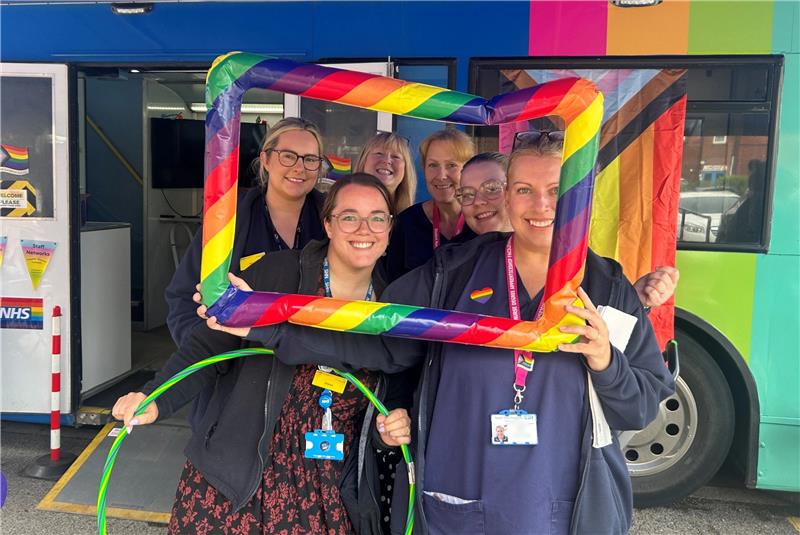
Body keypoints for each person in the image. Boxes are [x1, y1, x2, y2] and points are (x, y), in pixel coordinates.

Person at [380, 136, 676, 535]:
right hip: (458, 502)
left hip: (558, 511)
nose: (540, 205)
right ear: (507, 196)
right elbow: (383, 329)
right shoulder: (456, 270)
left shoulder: (608, 287)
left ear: (579, 198)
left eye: (556, 191)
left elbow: (640, 409)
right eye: (524, 190)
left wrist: (607, 362)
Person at [113, 174, 417, 534]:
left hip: (327, 493)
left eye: (377, 217)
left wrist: (388, 432)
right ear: (328, 224)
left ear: (390, 227)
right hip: (236, 479)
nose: (364, 229)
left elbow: (388, 404)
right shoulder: (275, 273)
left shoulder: (393, 309)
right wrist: (156, 397)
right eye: (349, 216)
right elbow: (206, 348)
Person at [165, 117, 328, 349]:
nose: (299, 168)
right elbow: (182, 298)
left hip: (309, 362)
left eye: (310, 159)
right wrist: (211, 358)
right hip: (242, 365)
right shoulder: (226, 220)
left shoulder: (333, 220)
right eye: (288, 156)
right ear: (266, 159)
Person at [457, 150, 679, 309]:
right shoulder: (449, 268)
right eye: (467, 194)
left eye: (492, 188)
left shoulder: (604, 278)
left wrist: (630, 305)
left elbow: (633, 365)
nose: (480, 201)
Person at [384, 128, 477, 281]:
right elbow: (392, 287)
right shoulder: (406, 223)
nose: (441, 176)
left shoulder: (482, 222)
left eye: (451, 165)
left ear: (467, 169)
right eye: (433, 165)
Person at [354, 131, 417, 214]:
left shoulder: (413, 221)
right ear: (363, 160)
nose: (387, 161)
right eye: (379, 153)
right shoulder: (341, 208)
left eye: (395, 156)